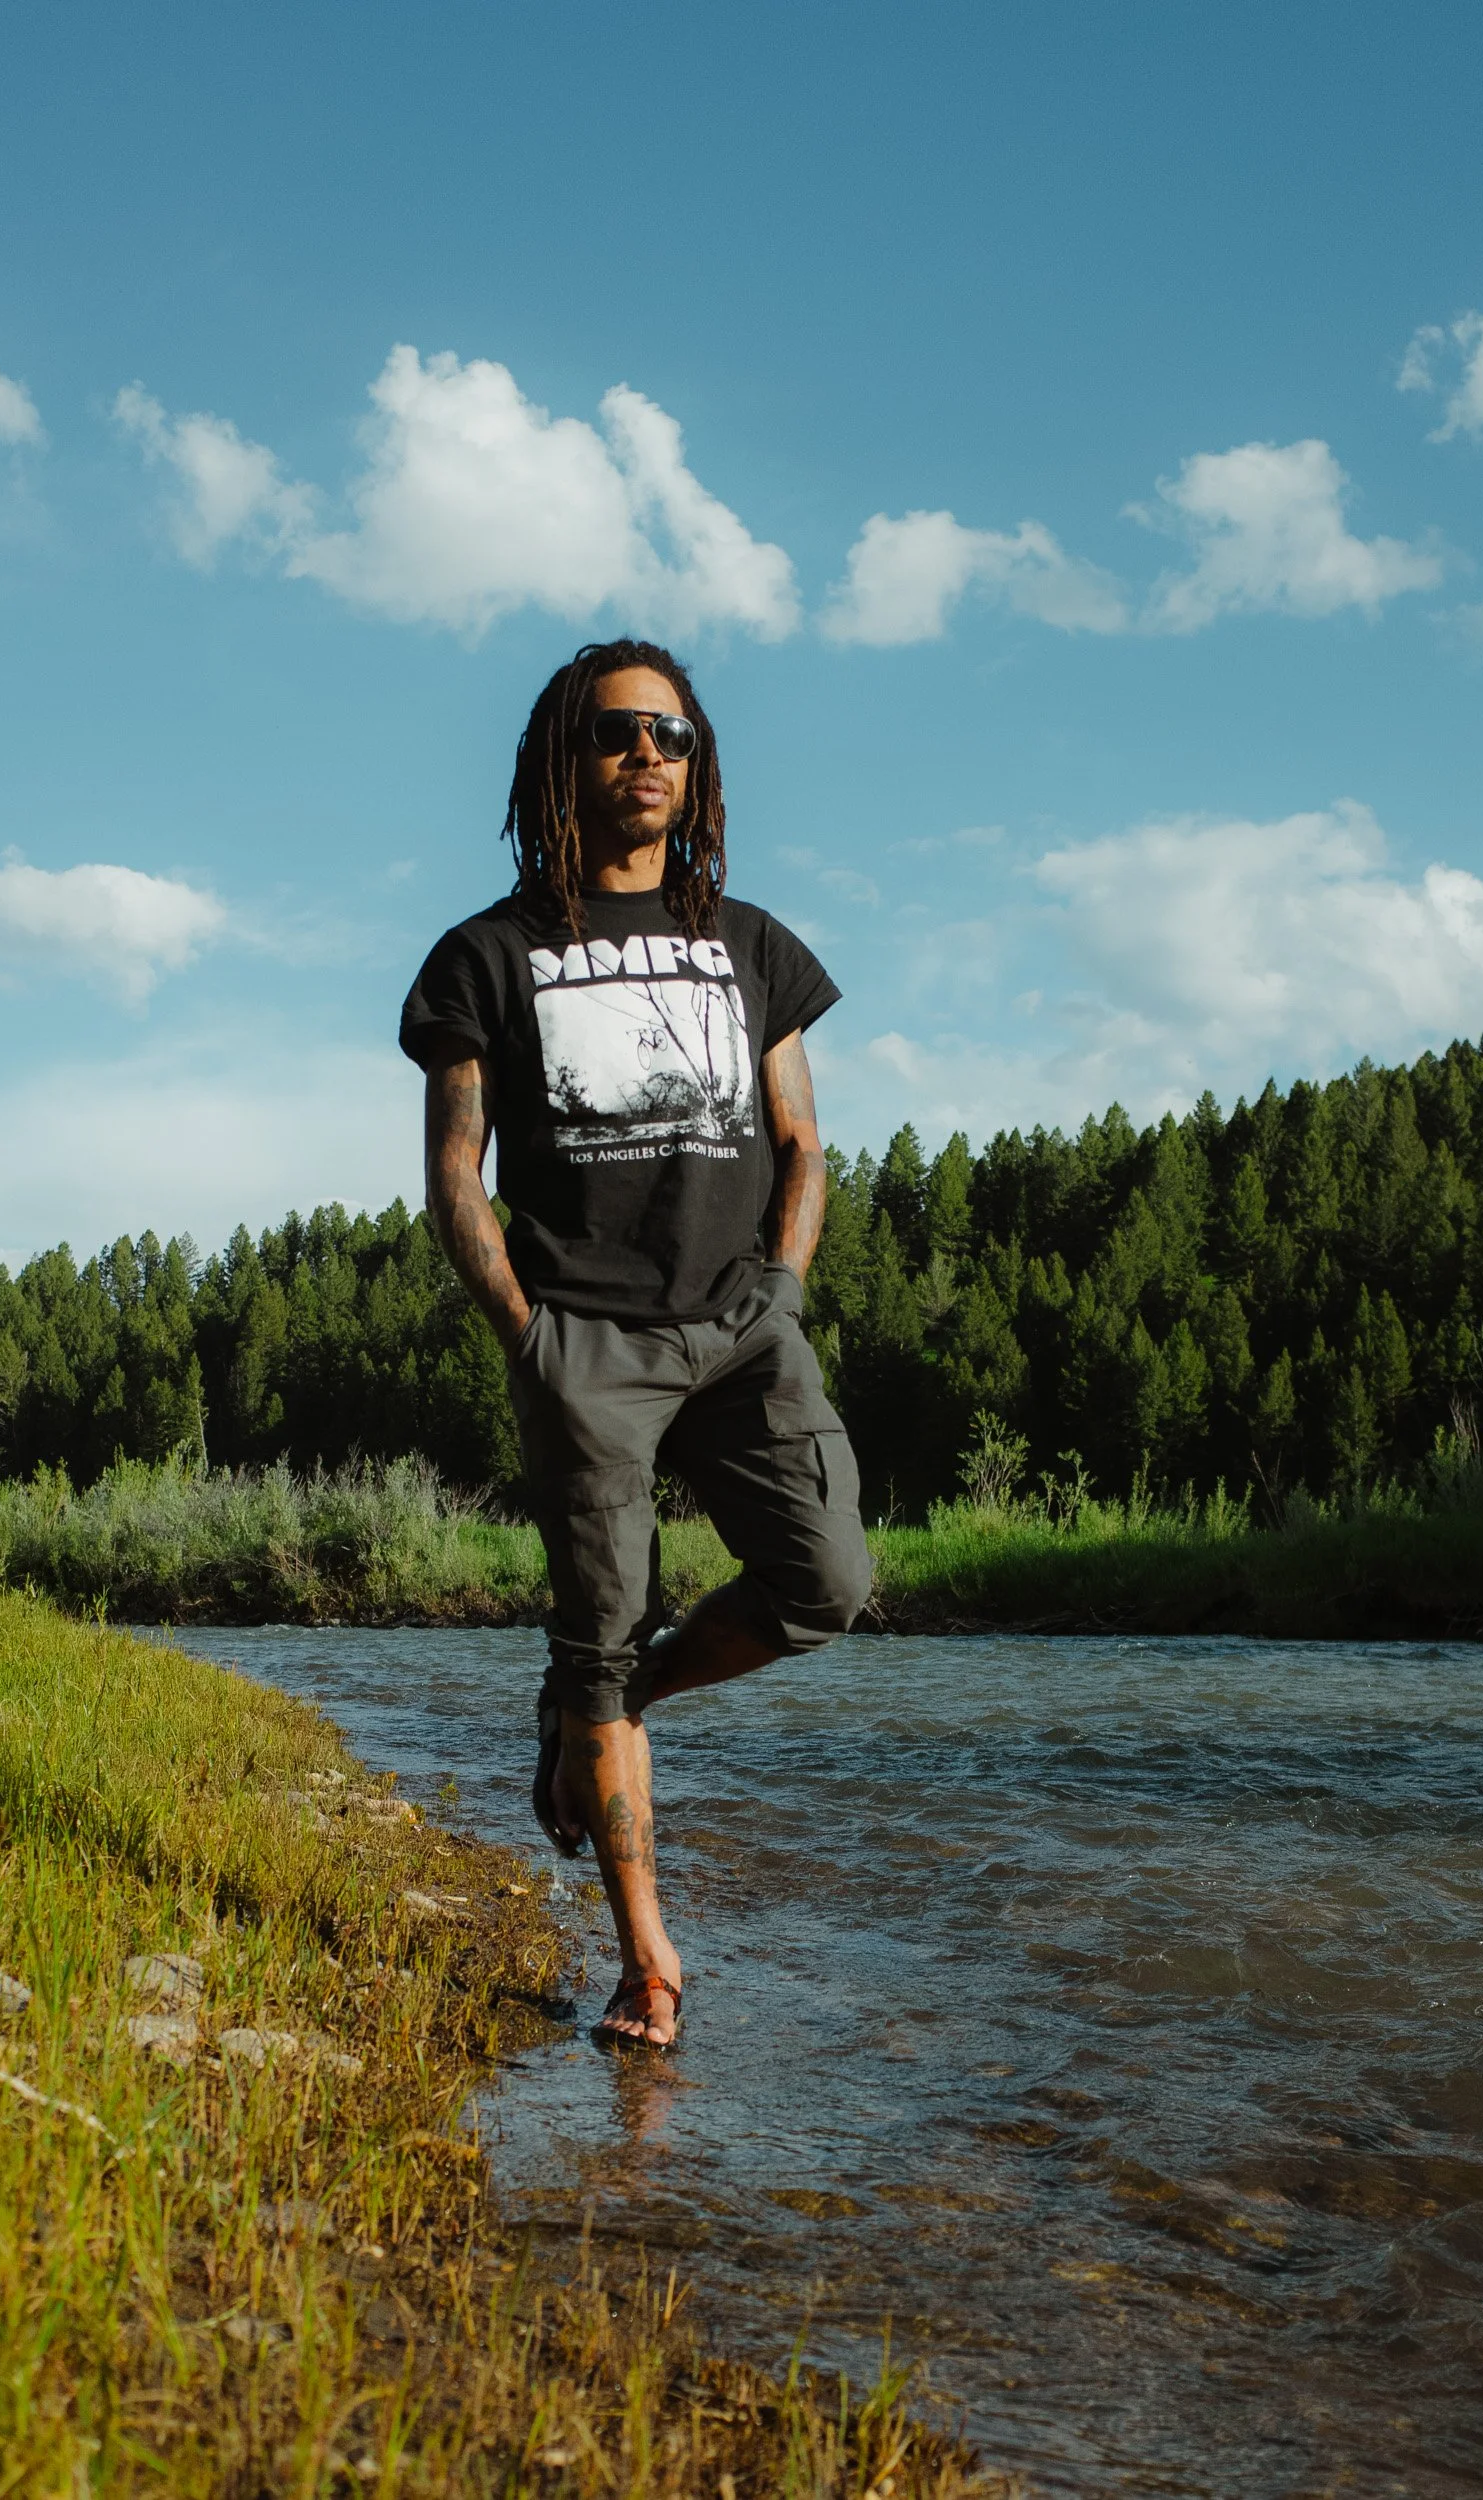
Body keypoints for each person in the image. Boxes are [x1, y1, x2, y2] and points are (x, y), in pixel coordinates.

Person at [399, 639, 871, 2050]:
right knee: (593, 1636)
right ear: (564, 757)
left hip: (741, 1328)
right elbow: (455, 1173)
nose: (647, 756)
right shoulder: (485, 955)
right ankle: (648, 1965)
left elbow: (799, 1143)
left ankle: (600, 1702)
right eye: (617, 734)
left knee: (826, 1583)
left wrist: (777, 1294)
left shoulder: (753, 947)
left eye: (672, 734)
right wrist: (529, 1337)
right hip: (585, 1342)